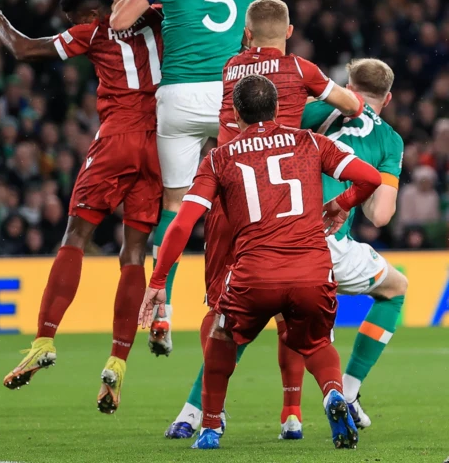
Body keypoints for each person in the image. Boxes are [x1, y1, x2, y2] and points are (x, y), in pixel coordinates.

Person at [140, 75, 382, 450]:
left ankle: (209, 427)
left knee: (222, 335)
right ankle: (333, 394)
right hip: (311, 270)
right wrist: (342, 203)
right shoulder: (310, 141)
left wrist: (157, 281)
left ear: (235, 114)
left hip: (256, 274)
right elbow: (369, 177)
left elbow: (183, 222)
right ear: (278, 109)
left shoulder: (219, 158)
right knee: (316, 343)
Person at [165, 0, 365, 438]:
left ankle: (200, 415)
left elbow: (248, 103)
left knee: (221, 311)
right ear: (290, 32)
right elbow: (352, 105)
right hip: (286, 190)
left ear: (246, 33)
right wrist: (325, 100)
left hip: (229, 192)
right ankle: (292, 413)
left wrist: (158, 283)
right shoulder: (300, 70)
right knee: (294, 311)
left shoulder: (231, 67)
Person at [0, 0, 163, 414]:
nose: (74, 26)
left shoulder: (93, 31)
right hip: (161, 143)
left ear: (87, 16)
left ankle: (44, 340)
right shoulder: (157, 17)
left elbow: (22, 49)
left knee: (75, 236)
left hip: (117, 138)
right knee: (134, 254)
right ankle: (117, 362)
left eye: (74, 19)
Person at [110, 0, 258, 356]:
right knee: (234, 202)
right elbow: (248, 39)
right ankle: (229, 301)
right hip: (227, 97)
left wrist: (134, 3)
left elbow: (120, 23)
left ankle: (162, 309)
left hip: (177, 96)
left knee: (175, 205)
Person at [282, 58, 407, 432]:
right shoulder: (389, 138)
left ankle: (197, 414)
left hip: (272, 234)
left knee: (242, 324)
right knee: (395, 289)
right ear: (387, 99)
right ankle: (348, 391)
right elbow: (381, 215)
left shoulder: (311, 109)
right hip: (326, 242)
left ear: (347, 84)